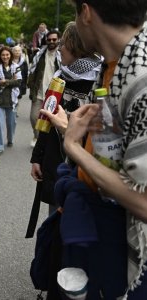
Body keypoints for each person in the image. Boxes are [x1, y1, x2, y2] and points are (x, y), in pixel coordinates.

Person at [41, 1, 147, 298]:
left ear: (86, 13)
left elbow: (144, 202)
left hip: (123, 242)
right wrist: (70, 128)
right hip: (96, 224)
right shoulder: (114, 63)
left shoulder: (141, 75)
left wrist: (73, 147)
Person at [26, 21, 102, 298]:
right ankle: (52, 282)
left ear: (74, 48)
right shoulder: (61, 75)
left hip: (85, 166)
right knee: (54, 225)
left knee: (77, 231)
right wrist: (37, 156)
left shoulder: (99, 77)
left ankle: (70, 286)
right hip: (55, 162)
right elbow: (46, 120)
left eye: (63, 47)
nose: (60, 52)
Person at [27, 30, 61, 148]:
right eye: (49, 39)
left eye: (54, 39)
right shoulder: (40, 55)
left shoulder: (61, 55)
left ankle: (46, 142)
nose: (51, 42)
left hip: (55, 94)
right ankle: (37, 136)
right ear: (46, 40)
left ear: (58, 40)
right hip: (39, 92)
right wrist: (31, 87)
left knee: (52, 120)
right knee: (33, 117)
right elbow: (33, 72)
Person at [0, 46, 21, 156]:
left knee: (11, 122)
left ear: (10, 55)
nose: (5, 56)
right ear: (0, 56)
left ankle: (10, 139)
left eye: (7, 54)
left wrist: (5, 81)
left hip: (11, 100)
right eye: (3, 55)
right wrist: (11, 81)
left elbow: (18, 82)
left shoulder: (16, 67)